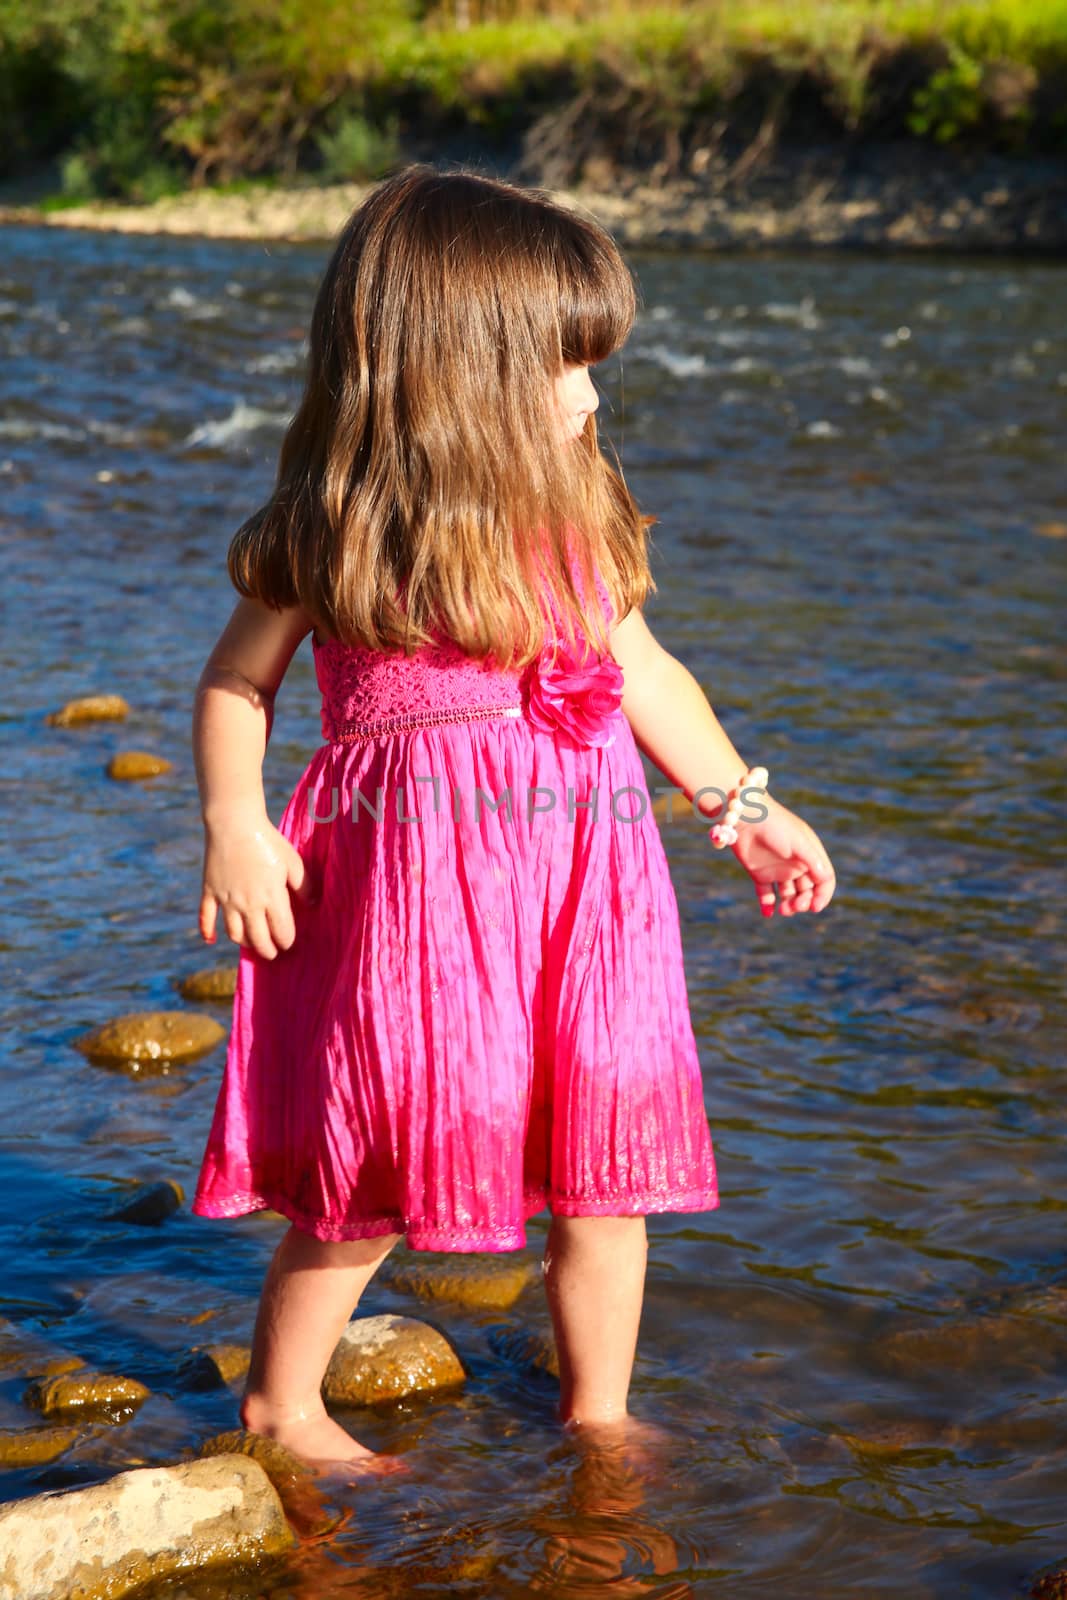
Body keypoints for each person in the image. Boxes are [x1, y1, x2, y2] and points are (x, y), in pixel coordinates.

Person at [189, 164, 836, 1479]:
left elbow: (647, 673)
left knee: (612, 1156)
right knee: (380, 1149)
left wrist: (744, 803)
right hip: (415, 898)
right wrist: (233, 825)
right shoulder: (343, 523)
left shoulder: (580, 509)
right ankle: (284, 1406)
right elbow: (234, 680)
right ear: (452, 367)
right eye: (568, 365)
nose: (593, 395)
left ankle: (598, 1410)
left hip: (587, 891)